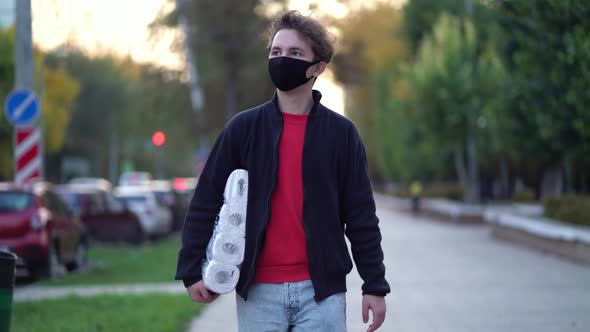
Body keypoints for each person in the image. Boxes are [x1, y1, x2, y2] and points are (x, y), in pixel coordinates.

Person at [176, 10, 390, 332]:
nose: (281, 59)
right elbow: (206, 197)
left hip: (321, 294)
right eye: (276, 52)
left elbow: (360, 214)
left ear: (317, 68)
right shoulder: (243, 129)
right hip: (258, 293)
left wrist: (374, 284)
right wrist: (191, 268)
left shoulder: (341, 134)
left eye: (294, 53)